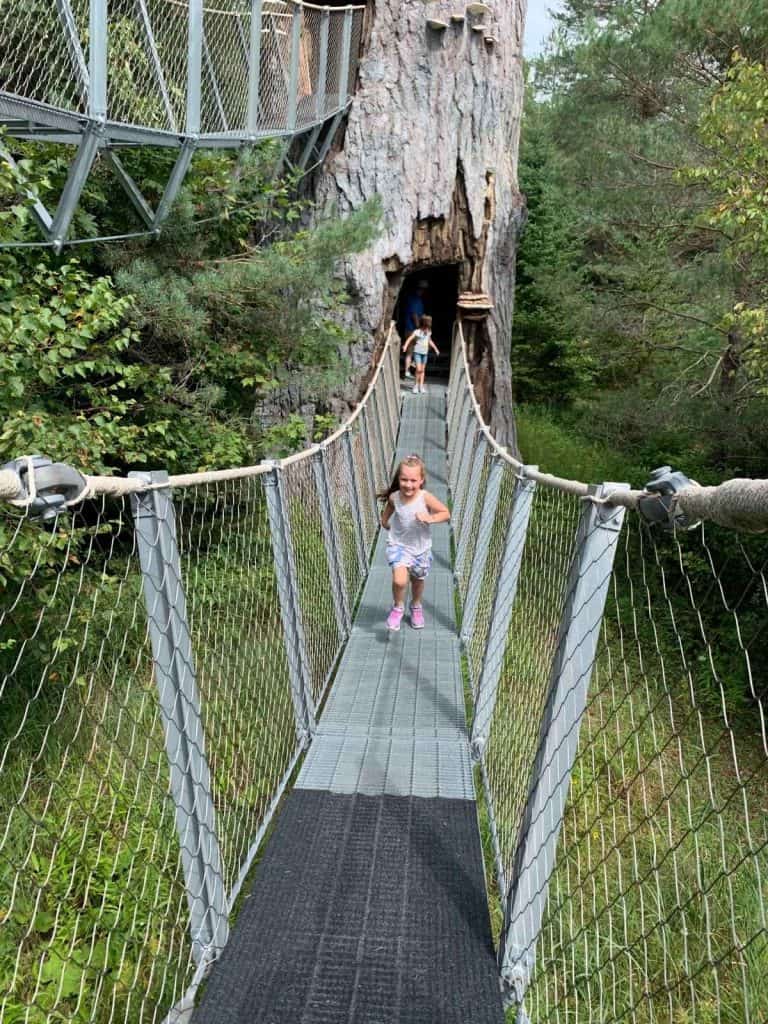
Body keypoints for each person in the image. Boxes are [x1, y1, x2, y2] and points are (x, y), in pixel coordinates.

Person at [379, 454, 450, 631]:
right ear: (399, 479)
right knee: (400, 581)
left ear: (421, 480)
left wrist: (429, 518)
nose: (408, 485)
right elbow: (388, 510)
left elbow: (445, 513)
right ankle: (398, 607)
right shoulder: (395, 497)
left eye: (413, 480)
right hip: (399, 545)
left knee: (417, 580)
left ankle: (416, 605)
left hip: (421, 548)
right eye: (404, 480)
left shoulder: (424, 497)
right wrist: (385, 521)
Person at [402, 315, 440, 394]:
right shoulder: (417, 332)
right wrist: (405, 346)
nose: (426, 329)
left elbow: (430, 341)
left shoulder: (429, 332)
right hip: (417, 353)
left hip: (424, 353)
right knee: (418, 369)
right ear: (423, 326)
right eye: (426, 327)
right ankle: (415, 385)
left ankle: (421, 386)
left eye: (428, 327)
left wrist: (435, 349)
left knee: (422, 370)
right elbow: (410, 338)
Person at [402, 280, 429, 379]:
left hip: (409, 329)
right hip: (412, 330)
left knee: (411, 351)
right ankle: (411, 368)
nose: (422, 291)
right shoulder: (415, 300)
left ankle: (407, 371)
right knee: (420, 348)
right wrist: (419, 328)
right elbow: (414, 315)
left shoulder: (414, 299)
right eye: (422, 289)